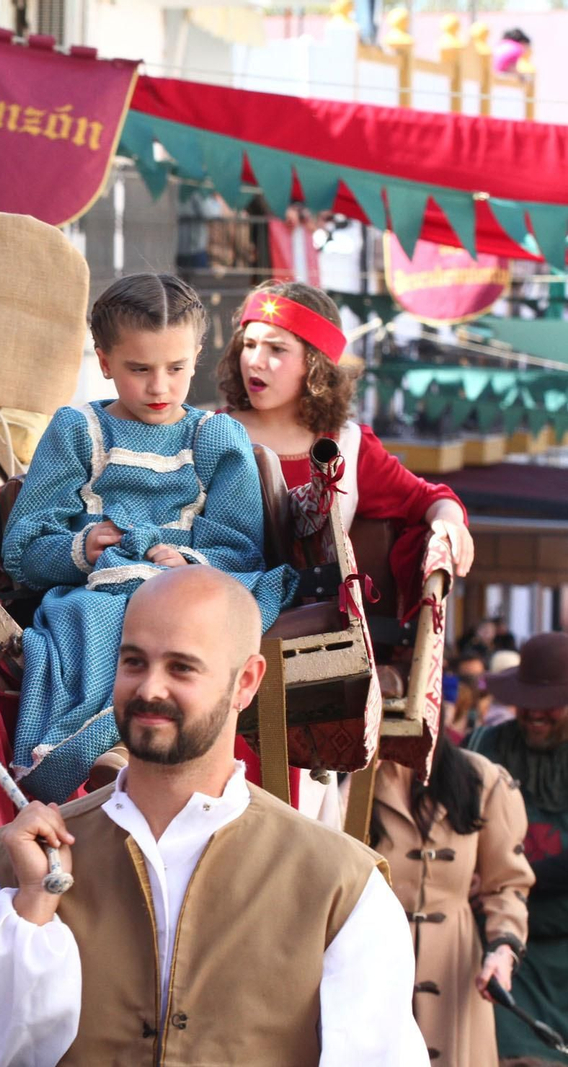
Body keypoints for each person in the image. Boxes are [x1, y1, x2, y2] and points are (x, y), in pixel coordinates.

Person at [0, 566, 426, 1064]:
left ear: (246, 682)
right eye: (134, 662)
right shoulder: (3, 867)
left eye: (181, 667)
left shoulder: (341, 887)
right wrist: (30, 908)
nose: (149, 689)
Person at [2, 274, 298, 803]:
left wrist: (189, 559)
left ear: (197, 356)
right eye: (140, 369)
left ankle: (118, 743)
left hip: (188, 594)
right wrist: (82, 547)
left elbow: (241, 548)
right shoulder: (77, 431)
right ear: (105, 361)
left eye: (177, 369)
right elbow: (24, 547)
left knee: (171, 634)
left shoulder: (214, 438)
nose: (160, 387)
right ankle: (91, 745)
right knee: (89, 623)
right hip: (98, 592)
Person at [220, 280, 474, 806]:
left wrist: (450, 522)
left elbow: (429, 497)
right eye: (249, 344)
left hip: (308, 662)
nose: (256, 362)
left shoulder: (350, 446)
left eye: (276, 349)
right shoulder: (207, 431)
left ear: (314, 364)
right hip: (221, 638)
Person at [371, 733, 534, 1065]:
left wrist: (503, 951)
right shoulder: (348, 778)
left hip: (455, 967)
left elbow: (507, 884)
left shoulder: (481, 779)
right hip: (371, 967)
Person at [469, 631, 568, 1065]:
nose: (533, 714)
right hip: (497, 943)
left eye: (549, 704)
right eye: (526, 701)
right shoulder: (483, 747)